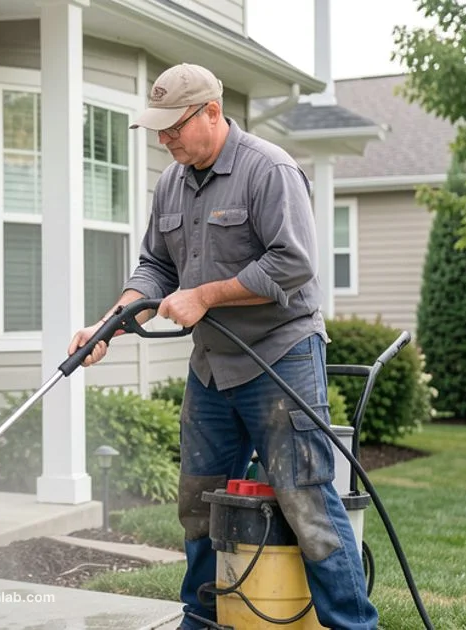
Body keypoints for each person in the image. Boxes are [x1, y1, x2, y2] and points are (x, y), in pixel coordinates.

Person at [69, 63, 379, 630]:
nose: (164, 139)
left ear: (211, 112)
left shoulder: (269, 170)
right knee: (200, 499)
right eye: (158, 129)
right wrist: (108, 324)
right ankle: (204, 617)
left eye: (173, 127)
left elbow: (293, 263)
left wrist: (205, 295)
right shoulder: (172, 181)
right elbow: (156, 265)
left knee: (305, 498)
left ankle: (353, 625)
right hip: (212, 369)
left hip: (279, 358)